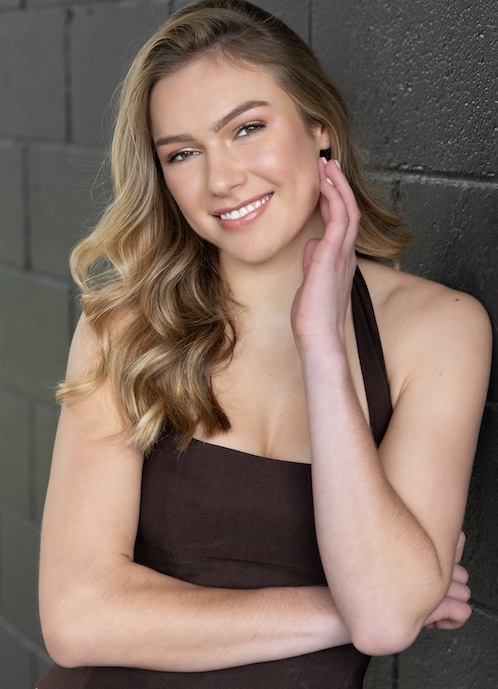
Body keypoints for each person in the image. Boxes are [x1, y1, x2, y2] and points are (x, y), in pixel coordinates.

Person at [36, 0, 492, 687]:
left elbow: (386, 617)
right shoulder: (126, 327)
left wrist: (321, 345)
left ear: (319, 128)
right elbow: (77, 619)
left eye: (247, 128)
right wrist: (344, 608)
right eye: (183, 153)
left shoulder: (440, 329)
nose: (221, 179)